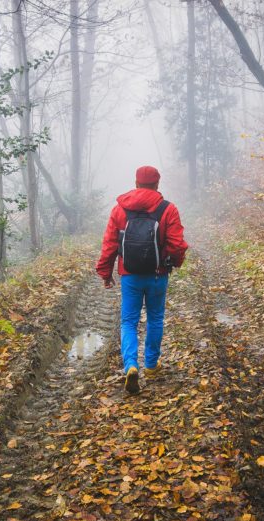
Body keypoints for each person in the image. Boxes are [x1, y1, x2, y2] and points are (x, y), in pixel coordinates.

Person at [96, 165, 188, 394]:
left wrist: (105, 273)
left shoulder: (119, 210)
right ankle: (151, 364)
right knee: (155, 317)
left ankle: (131, 366)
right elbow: (177, 244)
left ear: (136, 183)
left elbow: (109, 245)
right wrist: (175, 262)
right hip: (157, 274)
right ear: (157, 185)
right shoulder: (168, 209)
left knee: (128, 321)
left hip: (130, 276)